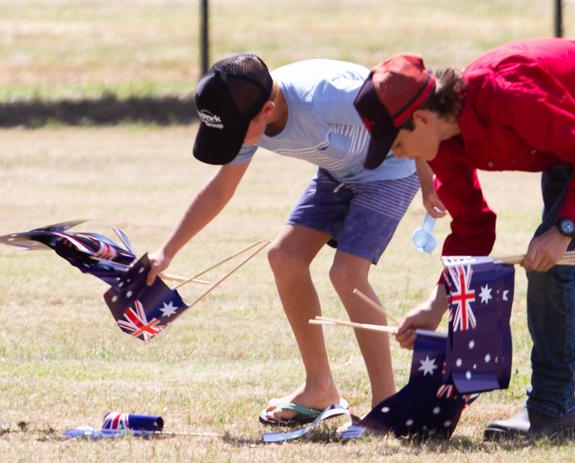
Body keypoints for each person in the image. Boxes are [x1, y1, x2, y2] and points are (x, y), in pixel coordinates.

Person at [353, 38, 575, 440]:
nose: (403, 156)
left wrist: (563, 230)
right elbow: (474, 225)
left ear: (422, 118)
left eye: (399, 145)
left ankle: (552, 411)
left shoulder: (506, 95)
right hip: (572, 141)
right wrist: (437, 304)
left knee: (555, 268)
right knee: (561, 273)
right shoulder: (441, 142)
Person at [145, 53, 426, 425]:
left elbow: (409, 112)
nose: (232, 140)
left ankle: (386, 405)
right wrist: (167, 252)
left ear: (268, 109)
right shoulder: (247, 113)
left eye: (234, 130)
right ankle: (320, 386)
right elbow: (220, 190)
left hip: (392, 169)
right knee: (284, 257)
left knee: (347, 274)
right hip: (338, 168)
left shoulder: (329, 97)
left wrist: (430, 175)